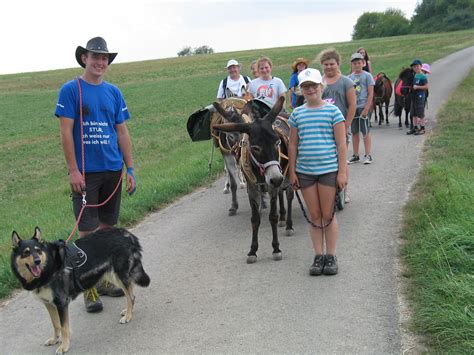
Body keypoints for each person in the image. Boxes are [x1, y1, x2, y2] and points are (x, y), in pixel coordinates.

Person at [55, 36, 137, 313]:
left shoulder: (113, 92)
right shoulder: (71, 90)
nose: (101, 62)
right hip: (86, 173)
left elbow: (122, 132)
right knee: (87, 232)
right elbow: (66, 132)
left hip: (113, 169)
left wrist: (131, 168)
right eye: (95, 57)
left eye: (105, 58)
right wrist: (74, 170)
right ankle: (88, 287)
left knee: (106, 230)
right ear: (84, 59)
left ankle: (101, 280)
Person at [288, 68, 348, 276]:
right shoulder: (297, 114)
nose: (310, 89)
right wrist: (292, 172)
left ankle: (331, 255)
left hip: (328, 170)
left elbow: (341, 144)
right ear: (300, 90)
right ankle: (318, 255)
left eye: (314, 85)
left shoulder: (333, 112)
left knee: (327, 214)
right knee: (314, 215)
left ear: (321, 87)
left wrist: (342, 172)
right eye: (306, 87)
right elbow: (293, 144)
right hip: (305, 172)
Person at [319, 48, 356, 203]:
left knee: (341, 159)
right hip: (322, 128)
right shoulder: (320, 82)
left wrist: (346, 124)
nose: (329, 67)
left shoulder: (346, 82)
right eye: (326, 64)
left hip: (340, 126)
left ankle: (344, 190)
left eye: (331, 64)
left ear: (337, 64)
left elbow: (352, 104)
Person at [348, 53, 375, 164]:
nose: (357, 65)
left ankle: (368, 155)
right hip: (354, 107)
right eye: (355, 63)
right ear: (352, 64)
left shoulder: (367, 76)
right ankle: (355, 154)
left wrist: (366, 108)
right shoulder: (349, 77)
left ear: (363, 63)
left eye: (359, 63)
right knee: (354, 132)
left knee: (365, 131)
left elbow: (370, 93)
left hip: (363, 106)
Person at [409, 59, 429, 135]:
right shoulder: (415, 75)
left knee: (420, 112)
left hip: (420, 96)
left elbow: (426, 87)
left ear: (421, 67)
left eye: (417, 66)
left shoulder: (423, 76)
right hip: (414, 96)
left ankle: (422, 128)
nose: (416, 68)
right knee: (413, 113)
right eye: (414, 67)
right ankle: (415, 128)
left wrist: (417, 87)